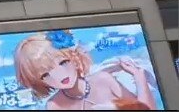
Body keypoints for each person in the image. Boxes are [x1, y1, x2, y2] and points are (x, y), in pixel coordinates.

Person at [12, 30, 159, 110]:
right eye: (45, 74)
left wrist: (139, 77)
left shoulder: (103, 79)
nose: (59, 75)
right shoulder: (54, 105)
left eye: (63, 62)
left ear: (74, 57)